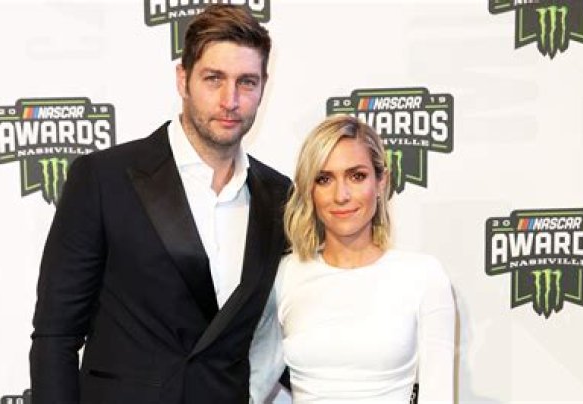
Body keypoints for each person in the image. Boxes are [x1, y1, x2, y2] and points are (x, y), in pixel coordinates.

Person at [29, 5, 290, 403]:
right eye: (214, 79)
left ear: (263, 87)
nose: (230, 100)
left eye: (247, 82)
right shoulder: (104, 179)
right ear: (183, 79)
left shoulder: (279, 196)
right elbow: (55, 335)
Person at [273, 114, 455, 403]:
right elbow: (253, 377)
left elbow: (438, 394)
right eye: (324, 179)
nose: (341, 195)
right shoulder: (285, 274)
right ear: (309, 189)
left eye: (356, 176)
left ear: (381, 182)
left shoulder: (423, 276)